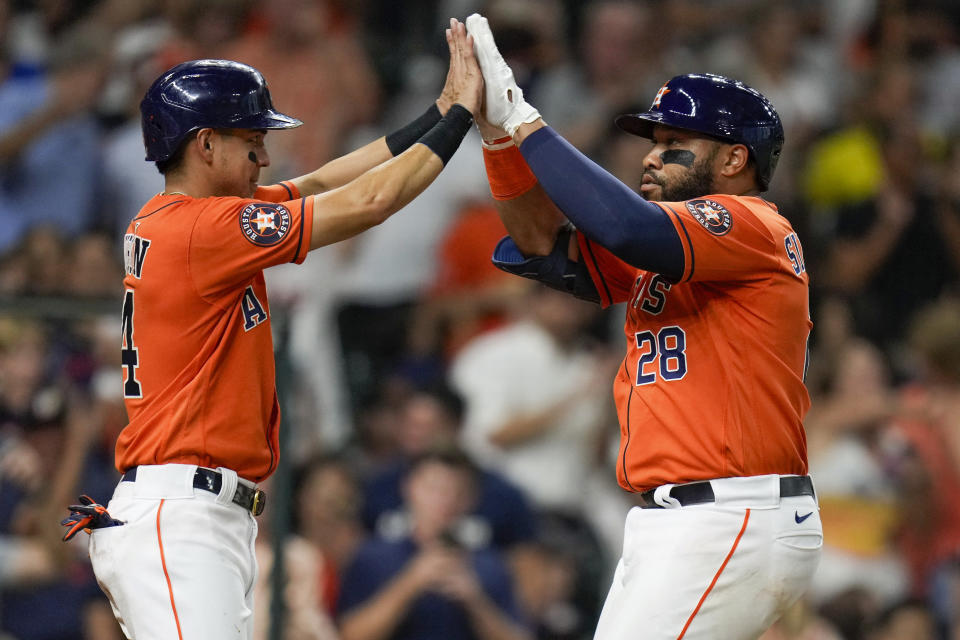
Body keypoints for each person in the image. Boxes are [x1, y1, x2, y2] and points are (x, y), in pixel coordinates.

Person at [60, 18, 483, 640]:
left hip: (198, 514)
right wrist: (462, 122)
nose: (264, 153)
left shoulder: (188, 220)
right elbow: (368, 203)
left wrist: (438, 112)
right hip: (181, 515)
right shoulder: (204, 230)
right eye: (250, 139)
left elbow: (317, 182)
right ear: (205, 145)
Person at [464, 14, 823, 640]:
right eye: (652, 142)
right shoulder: (679, 247)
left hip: (730, 513)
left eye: (674, 144)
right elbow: (541, 239)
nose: (651, 157)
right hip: (686, 519)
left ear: (736, 158)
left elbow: (629, 227)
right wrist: (499, 138)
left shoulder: (752, 224)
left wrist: (526, 118)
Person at [336, 446, 530, 640]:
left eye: (458, 492)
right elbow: (350, 635)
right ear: (410, 487)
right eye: (435, 488)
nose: (445, 501)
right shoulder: (372, 557)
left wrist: (475, 601)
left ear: (472, 499)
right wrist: (411, 582)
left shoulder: (490, 564)